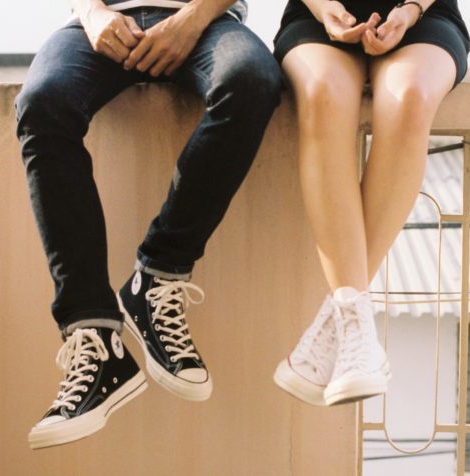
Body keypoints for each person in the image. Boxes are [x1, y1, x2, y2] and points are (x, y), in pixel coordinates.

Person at [15, 0, 282, 449]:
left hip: (207, 23)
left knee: (252, 79)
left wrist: (193, 17)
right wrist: (93, 14)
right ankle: (95, 337)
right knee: (42, 103)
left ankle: (155, 279)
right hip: (98, 25)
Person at [272, 0, 470, 406]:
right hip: (316, 17)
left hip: (423, 20)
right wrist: (325, 8)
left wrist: (410, 11)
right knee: (323, 92)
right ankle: (356, 329)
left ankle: (341, 320)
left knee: (410, 97)